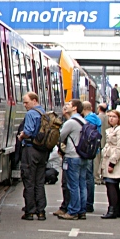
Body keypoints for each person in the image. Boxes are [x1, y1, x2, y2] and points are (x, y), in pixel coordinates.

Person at [16, 92, 49, 221]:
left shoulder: (31, 114)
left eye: (26, 102)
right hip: (42, 151)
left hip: (30, 150)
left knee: (29, 181)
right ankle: (41, 212)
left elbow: (28, 132)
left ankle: (30, 211)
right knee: (40, 182)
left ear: (34, 100)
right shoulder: (43, 113)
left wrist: (21, 136)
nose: (24, 105)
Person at [56, 99, 87, 220]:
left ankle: (73, 211)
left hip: (72, 156)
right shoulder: (83, 120)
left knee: (73, 185)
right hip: (83, 156)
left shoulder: (71, 122)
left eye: (69, 104)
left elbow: (60, 137)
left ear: (74, 108)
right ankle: (82, 210)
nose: (66, 106)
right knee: (82, 184)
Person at [100, 109, 120, 219]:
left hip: (115, 160)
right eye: (110, 116)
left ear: (119, 118)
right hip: (110, 157)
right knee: (113, 185)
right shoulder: (113, 129)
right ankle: (116, 209)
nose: (111, 118)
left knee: (111, 184)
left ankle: (112, 210)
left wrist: (112, 163)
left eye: (114, 116)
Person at [81, 101, 101, 213]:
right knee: (90, 177)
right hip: (94, 150)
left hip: (88, 151)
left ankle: (88, 203)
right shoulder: (95, 118)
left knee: (87, 177)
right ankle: (89, 203)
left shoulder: (88, 120)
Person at [93, 103, 109, 189]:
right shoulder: (108, 118)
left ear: (99, 109)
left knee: (97, 162)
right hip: (106, 143)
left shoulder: (96, 118)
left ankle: (96, 178)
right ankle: (103, 177)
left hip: (98, 142)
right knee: (104, 161)